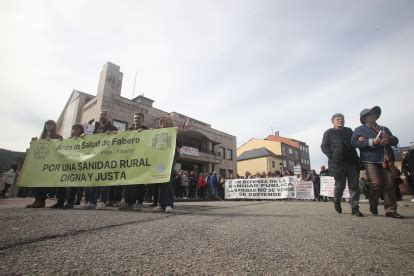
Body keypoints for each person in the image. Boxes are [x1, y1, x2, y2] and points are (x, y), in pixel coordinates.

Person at [351, 106, 403, 219]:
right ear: (364, 118)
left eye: (374, 114)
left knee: (389, 184)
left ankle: (390, 210)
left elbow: (395, 140)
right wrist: (371, 142)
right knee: (376, 183)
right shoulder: (359, 130)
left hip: (385, 159)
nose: (373, 115)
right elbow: (354, 143)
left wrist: (388, 140)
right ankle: (373, 202)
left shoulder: (384, 129)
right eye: (370, 114)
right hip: (369, 159)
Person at [321, 113, 363, 216]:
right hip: (337, 163)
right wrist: (332, 155)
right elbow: (324, 146)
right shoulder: (329, 132)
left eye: (342, 119)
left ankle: (354, 208)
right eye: (338, 119)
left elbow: (354, 142)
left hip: (352, 162)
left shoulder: (349, 131)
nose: (340, 121)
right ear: (333, 121)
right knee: (340, 185)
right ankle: (337, 201)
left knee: (354, 185)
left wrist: (359, 140)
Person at [82, 110, 118, 209]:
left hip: (106, 157)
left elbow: (116, 141)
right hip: (95, 157)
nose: (103, 116)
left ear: (108, 116)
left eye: (105, 115)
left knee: (104, 180)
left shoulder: (113, 128)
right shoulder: (95, 128)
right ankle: (92, 201)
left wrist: (114, 134)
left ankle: (102, 201)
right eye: (101, 114)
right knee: (93, 179)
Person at [26, 120, 63, 208]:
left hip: (50, 163)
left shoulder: (58, 137)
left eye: (50, 124)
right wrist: (33, 142)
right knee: (38, 182)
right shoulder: (41, 137)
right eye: (47, 124)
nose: (48, 126)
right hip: (41, 163)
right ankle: (37, 200)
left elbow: (61, 147)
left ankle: (42, 200)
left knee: (44, 182)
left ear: (54, 126)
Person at [50, 124, 85, 209]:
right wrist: (60, 142)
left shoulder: (84, 139)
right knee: (61, 182)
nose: (75, 131)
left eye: (77, 129)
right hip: (66, 164)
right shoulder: (68, 140)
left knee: (73, 184)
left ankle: (70, 202)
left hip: (77, 164)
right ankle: (60, 201)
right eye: (74, 129)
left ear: (81, 130)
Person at [119, 112, 149, 211]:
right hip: (130, 160)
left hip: (141, 160)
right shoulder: (128, 131)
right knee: (128, 182)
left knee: (140, 182)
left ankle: (139, 202)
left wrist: (146, 133)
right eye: (135, 118)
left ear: (143, 120)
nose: (137, 119)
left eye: (139, 118)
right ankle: (128, 202)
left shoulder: (147, 131)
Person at [153, 116, 182, 213]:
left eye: (165, 120)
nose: (163, 122)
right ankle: (161, 204)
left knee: (167, 179)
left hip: (169, 159)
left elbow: (180, 145)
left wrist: (177, 134)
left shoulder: (174, 131)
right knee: (161, 179)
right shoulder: (157, 132)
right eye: (162, 121)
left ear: (170, 122)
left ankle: (169, 204)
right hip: (160, 160)